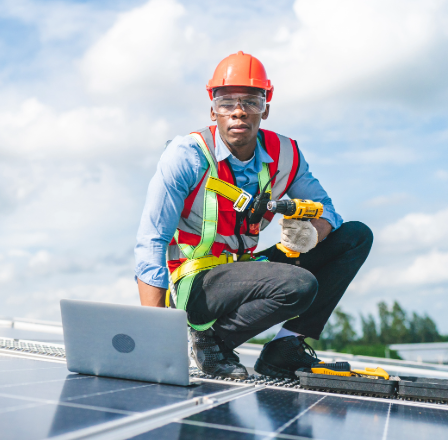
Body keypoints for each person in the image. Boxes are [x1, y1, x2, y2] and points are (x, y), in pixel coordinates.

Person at [134, 51, 373, 379]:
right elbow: (151, 241)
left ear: (266, 107)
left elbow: (328, 210)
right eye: (226, 101)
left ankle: (285, 349)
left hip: (243, 269)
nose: (238, 112)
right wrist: (157, 337)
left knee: (355, 236)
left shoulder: (284, 154)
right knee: (298, 285)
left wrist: (313, 233)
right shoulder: (186, 156)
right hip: (194, 285)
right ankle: (208, 340)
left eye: (251, 101)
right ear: (212, 108)